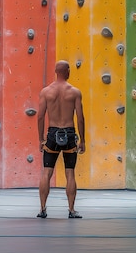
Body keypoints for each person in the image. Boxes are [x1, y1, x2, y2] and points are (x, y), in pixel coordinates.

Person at [37, 60, 85, 219]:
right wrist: (82, 140)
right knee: (70, 173)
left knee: (47, 172)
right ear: (68, 71)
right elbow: (80, 118)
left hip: (52, 134)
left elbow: (40, 116)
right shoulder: (75, 92)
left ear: (56, 71)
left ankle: (42, 209)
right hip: (69, 133)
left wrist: (40, 139)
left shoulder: (46, 92)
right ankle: (71, 210)